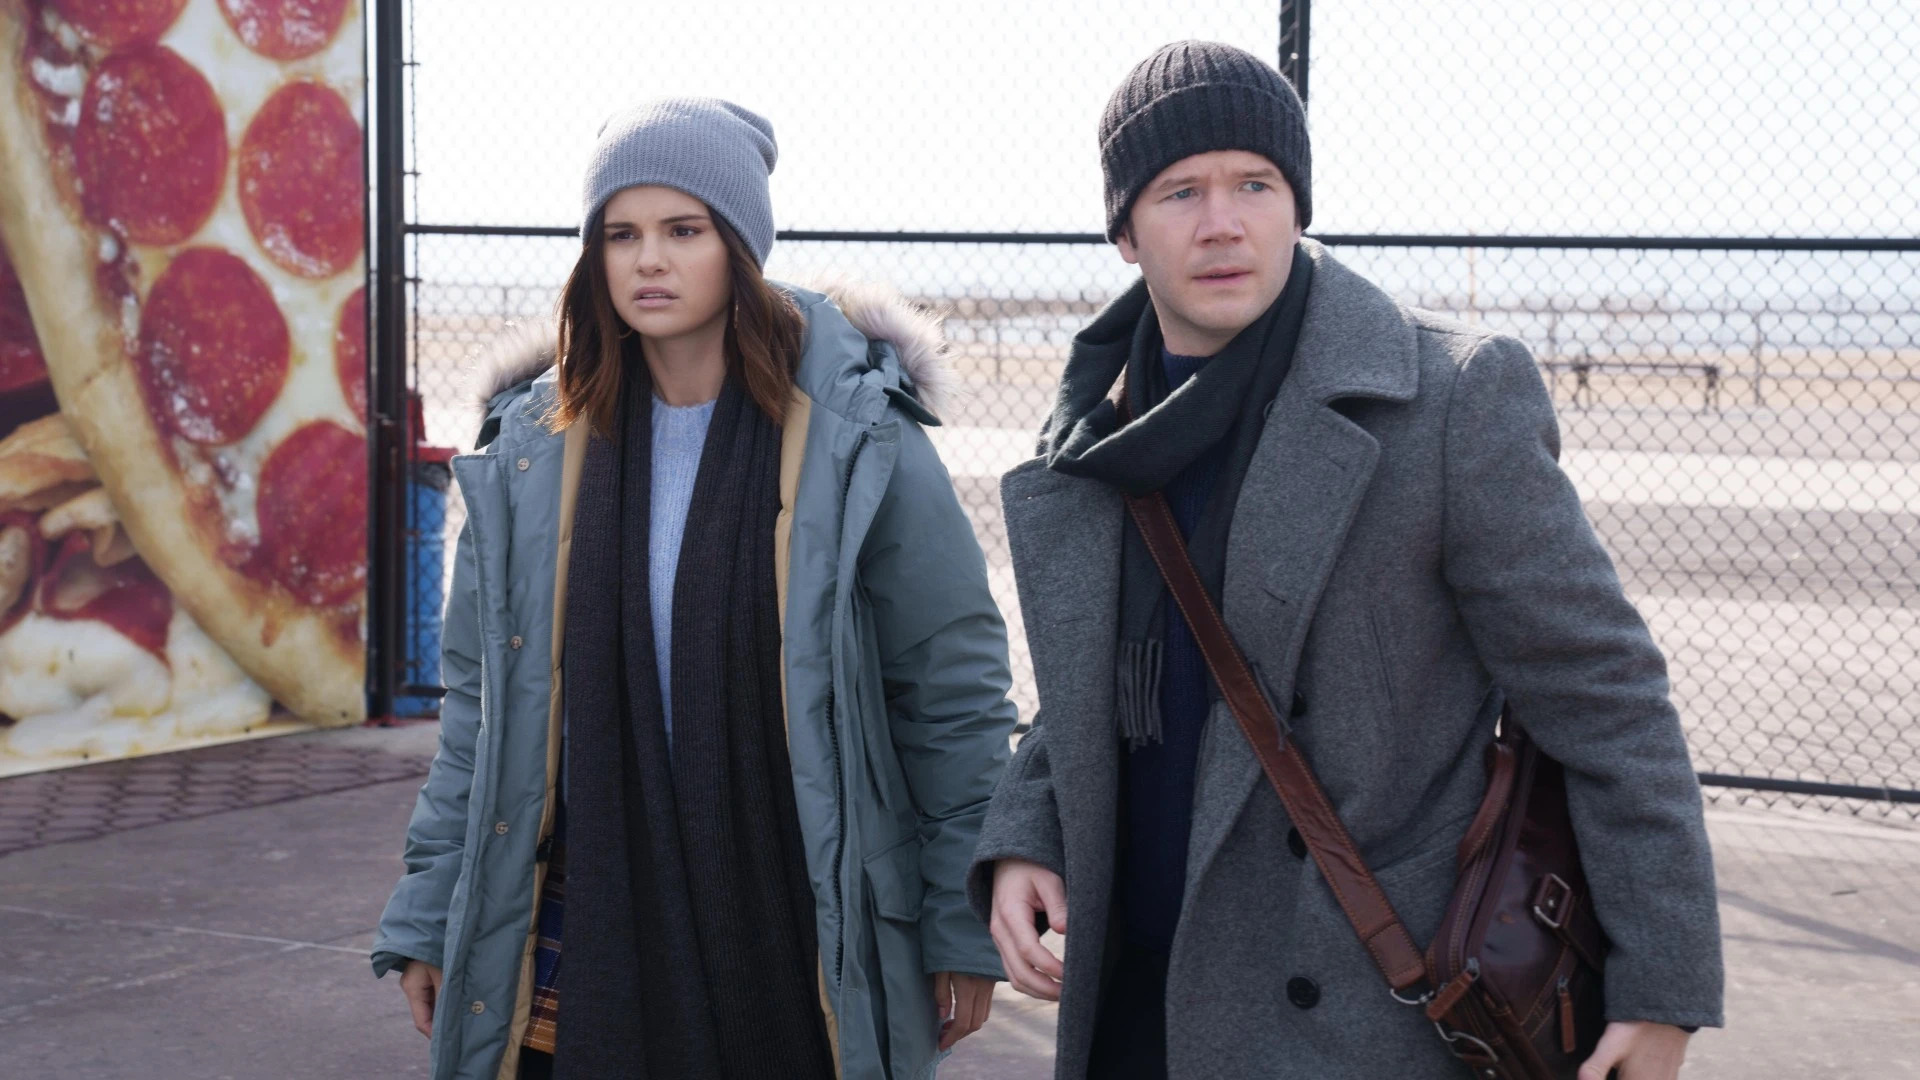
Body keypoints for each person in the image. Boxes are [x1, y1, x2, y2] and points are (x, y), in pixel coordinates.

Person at [969, 42, 1723, 1079]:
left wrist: (1661, 989)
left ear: (1297, 203)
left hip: (1353, 1018)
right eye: (1181, 190)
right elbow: (1098, 684)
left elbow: (1606, 697)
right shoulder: (1100, 436)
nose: (1224, 221)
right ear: (1125, 233)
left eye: (1256, 184)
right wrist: (1026, 829)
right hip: (1135, 997)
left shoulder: (1444, 401)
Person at [372, 97, 1016, 1080]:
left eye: (685, 229)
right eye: (621, 235)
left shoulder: (855, 441)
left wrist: (955, 920)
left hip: (799, 910)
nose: (649, 261)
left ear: (740, 246)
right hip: (579, 906)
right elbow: (480, 716)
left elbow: (952, 696)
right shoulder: (532, 458)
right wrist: (430, 911)